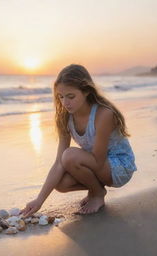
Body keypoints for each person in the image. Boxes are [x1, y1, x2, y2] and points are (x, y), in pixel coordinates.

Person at [21, 64, 137, 217]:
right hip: (97, 164)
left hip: (119, 166)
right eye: (60, 97)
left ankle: (96, 194)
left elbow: (98, 160)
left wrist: (73, 160)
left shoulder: (104, 114)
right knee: (61, 183)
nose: (65, 103)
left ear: (87, 91)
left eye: (71, 96)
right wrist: (39, 200)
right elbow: (58, 163)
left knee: (69, 156)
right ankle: (97, 190)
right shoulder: (65, 118)